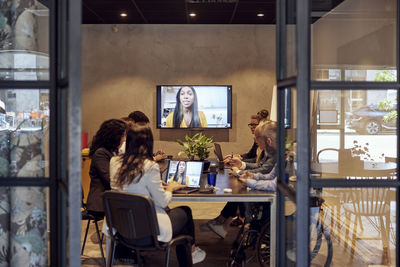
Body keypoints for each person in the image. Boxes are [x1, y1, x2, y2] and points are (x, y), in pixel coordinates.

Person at [111, 125, 206, 265]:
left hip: (121, 229)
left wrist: (155, 184)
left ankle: (190, 253)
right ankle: (191, 254)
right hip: (147, 231)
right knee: (185, 212)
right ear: (148, 142)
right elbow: (162, 202)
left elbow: (131, 186)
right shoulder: (150, 166)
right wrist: (171, 188)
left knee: (178, 218)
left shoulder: (114, 162)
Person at [206, 122, 278, 239]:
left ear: (268, 140)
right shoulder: (271, 150)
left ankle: (228, 223)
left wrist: (243, 174)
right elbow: (266, 172)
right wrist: (245, 170)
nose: (255, 142)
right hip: (266, 188)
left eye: (257, 139)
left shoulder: (277, 154)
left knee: (241, 192)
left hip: (271, 195)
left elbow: (267, 174)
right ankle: (223, 222)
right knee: (239, 190)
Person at [86, 119, 127, 219]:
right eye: (123, 136)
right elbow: (110, 179)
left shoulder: (113, 151)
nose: (124, 139)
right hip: (101, 202)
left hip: (112, 197)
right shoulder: (101, 153)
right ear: (114, 137)